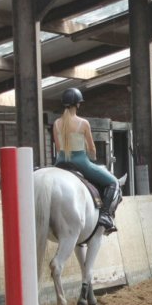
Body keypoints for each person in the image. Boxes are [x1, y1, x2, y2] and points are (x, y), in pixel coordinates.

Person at [53, 87, 122, 234]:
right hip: (80, 162)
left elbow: (58, 148)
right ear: (78, 104)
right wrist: (93, 156)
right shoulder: (83, 123)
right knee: (113, 182)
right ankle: (105, 215)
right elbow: (91, 148)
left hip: (60, 163)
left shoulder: (57, 123)